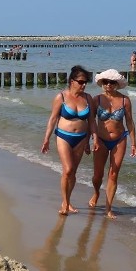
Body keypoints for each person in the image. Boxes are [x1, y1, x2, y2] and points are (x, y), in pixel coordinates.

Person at [41, 65, 94, 215]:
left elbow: (91, 121)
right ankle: (64, 203)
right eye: (81, 81)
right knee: (68, 169)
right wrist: (46, 139)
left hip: (81, 138)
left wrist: (91, 139)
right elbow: (52, 119)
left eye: (86, 82)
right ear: (72, 81)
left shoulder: (88, 98)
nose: (84, 85)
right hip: (64, 136)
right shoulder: (61, 97)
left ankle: (68, 201)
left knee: (73, 173)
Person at [89, 69, 136, 219]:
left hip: (119, 139)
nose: (108, 85)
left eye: (111, 82)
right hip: (101, 140)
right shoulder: (96, 100)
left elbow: (129, 122)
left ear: (117, 84)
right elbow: (90, 122)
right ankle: (96, 193)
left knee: (113, 174)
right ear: (102, 83)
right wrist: (90, 139)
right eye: (105, 82)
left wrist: (134, 143)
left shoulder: (125, 100)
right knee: (98, 175)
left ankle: (108, 207)